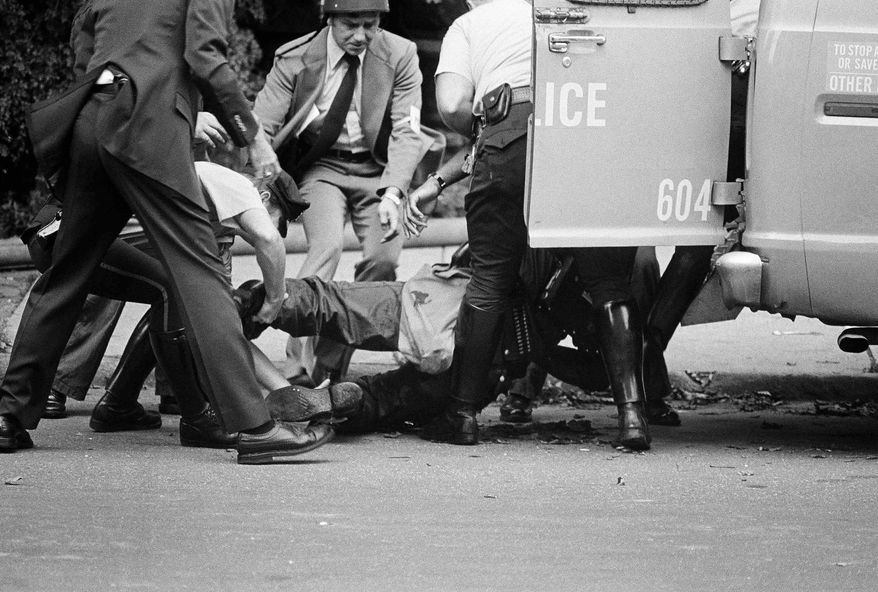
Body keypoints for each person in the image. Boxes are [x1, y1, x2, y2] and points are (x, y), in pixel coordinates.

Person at [0, 0, 333, 464]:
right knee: (199, 272)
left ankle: (8, 416)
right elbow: (205, 57)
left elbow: (84, 53)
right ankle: (255, 427)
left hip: (90, 120)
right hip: (150, 125)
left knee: (67, 272)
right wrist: (253, 138)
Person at [253, 0, 435, 386]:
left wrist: (393, 192)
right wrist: (267, 189)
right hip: (322, 169)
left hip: (378, 170)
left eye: (370, 25)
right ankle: (298, 368)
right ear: (330, 18)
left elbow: (407, 129)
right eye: (350, 24)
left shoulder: (400, 54)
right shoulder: (297, 56)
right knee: (326, 249)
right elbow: (261, 127)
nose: (361, 36)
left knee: (384, 259)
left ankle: (331, 366)